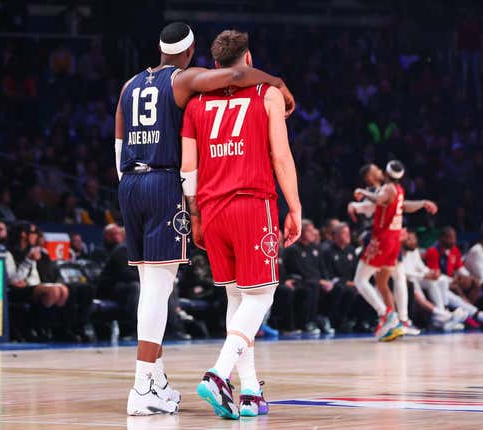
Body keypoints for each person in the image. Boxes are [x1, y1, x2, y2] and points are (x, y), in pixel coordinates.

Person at [115, 22, 295, 416]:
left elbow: (119, 147)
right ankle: (152, 382)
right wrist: (278, 81)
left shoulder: (130, 86)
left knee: (158, 288)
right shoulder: (186, 81)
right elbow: (235, 76)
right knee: (167, 290)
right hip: (174, 185)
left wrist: (135, 191)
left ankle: (190, 382)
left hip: (133, 183)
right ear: (192, 50)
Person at [180, 29, 301, 419]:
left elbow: (188, 168)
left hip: (212, 209)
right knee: (261, 297)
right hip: (251, 203)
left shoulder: (196, 103)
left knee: (238, 300)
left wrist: (195, 215)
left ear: (215, 65)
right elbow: (281, 157)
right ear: (248, 60)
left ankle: (249, 393)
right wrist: (295, 206)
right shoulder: (266, 95)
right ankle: (218, 373)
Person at [351, 162, 438, 340]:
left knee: (361, 280)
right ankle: (396, 321)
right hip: (391, 239)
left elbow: (380, 201)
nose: (379, 170)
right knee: (383, 283)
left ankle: (389, 315)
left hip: (383, 239)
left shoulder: (386, 189)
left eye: (379, 168)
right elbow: (398, 205)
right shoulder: (396, 189)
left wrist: (360, 194)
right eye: (375, 169)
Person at [283, 219, 335, 335]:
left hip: (317, 281)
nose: (314, 233)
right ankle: (307, 322)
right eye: (309, 231)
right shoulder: (293, 249)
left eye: (313, 230)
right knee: (311, 288)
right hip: (301, 281)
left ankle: (326, 320)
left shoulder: (316, 248)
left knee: (335, 288)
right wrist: (320, 281)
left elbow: (323, 268)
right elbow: (299, 271)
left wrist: (327, 280)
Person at [322, 222, 361, 331]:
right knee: (346, 290)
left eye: (348, 233)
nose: (348, 236)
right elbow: (328, 274)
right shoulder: (328, 251)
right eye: (344, 233)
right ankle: (338, 321)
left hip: (352, 283)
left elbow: (357, 270)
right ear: (336, 236)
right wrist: (349, 283)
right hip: (335, 283)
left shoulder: (351, 250)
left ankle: (361, 321)